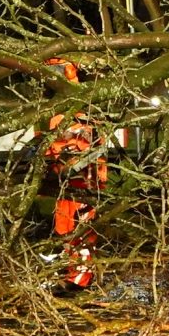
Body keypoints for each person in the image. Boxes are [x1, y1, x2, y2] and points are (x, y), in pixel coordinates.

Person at [43, 57, 106, 291]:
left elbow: (87, 146)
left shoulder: (80, 108)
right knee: (65, 229)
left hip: (83, 181)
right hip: (66, 181)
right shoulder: (61, 108)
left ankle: (80, 279)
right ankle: (73, 271)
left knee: (81, 230)